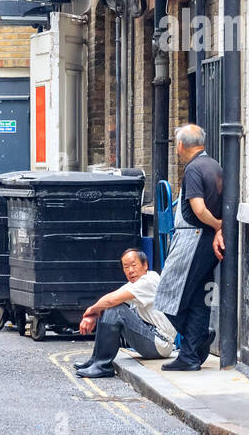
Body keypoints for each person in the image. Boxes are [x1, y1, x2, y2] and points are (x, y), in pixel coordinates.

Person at [153, 124, 224, 371]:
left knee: (166, 294)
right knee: (197, 300)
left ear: (182, 145)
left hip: (192, 239)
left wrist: (216, 226)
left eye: (176, 146)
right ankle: (191, 356)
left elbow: (198, 208)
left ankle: (197, 341)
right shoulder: (215, 165)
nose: (176, 150)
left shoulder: (193, 169)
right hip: (207, 242)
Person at [73, 249, 177, 378]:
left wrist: (90, 311)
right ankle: (95, 360)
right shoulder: (135, 283)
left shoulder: (149, 281)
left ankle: (102, 366)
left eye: (134, 265)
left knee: (115, 309)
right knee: (111, 306)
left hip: (160, 343)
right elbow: (111, 298)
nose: (130, 270)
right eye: (126, 267)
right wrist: (95, 313)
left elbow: (111, 300)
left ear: (145, 265)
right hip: (152, 338)